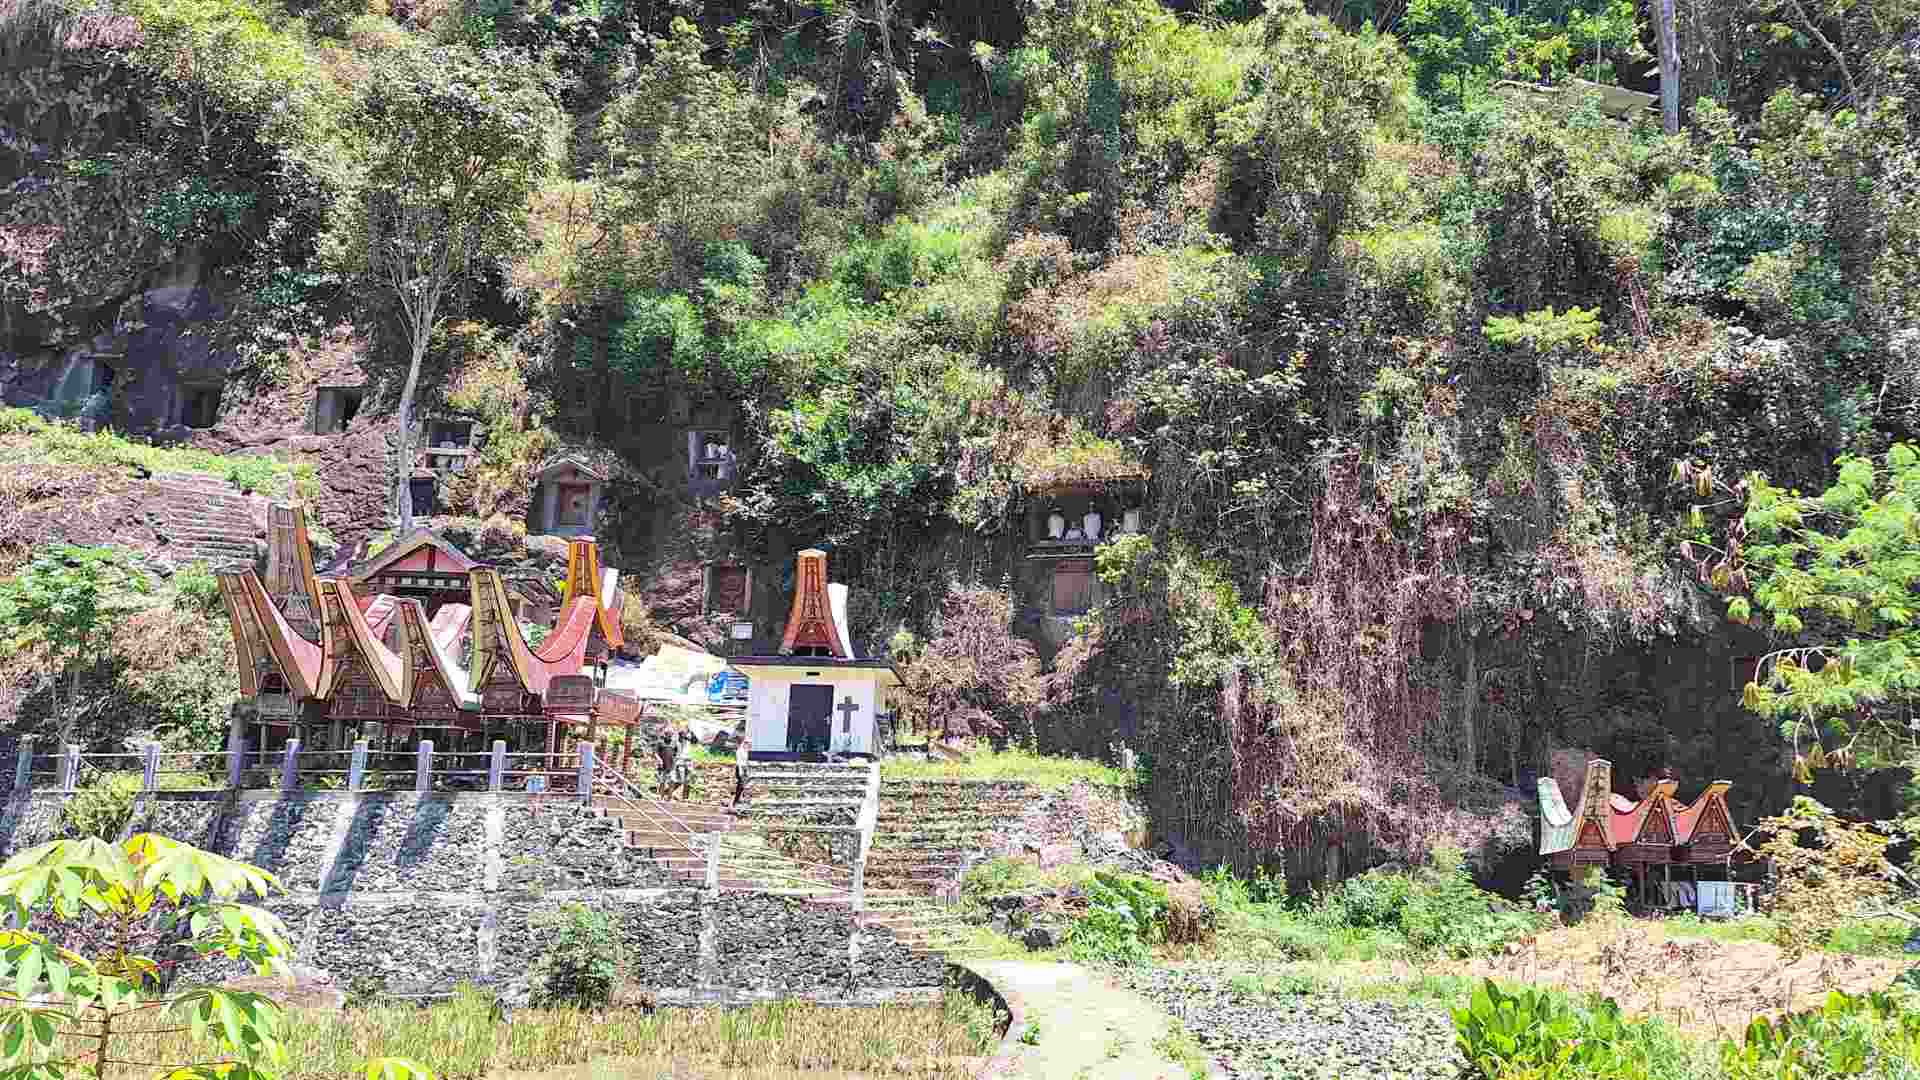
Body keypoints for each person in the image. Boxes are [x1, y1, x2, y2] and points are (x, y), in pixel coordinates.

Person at [672, 730, 695, 800]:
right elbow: (673, 753)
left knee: (688, 781)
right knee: (679, 781)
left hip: (688, 762)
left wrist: (691, 735)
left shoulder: (688, 742)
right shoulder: (676, 743)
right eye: (683, 735)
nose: (685, 736)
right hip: (680, 763)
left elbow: (695, 740)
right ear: (680, 736)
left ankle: (685, 798)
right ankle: (667, 793)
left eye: (685, 735)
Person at [732, 732, 751, 807]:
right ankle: (736, 801)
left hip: (742, 769)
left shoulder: (743, 750)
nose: (749, 745)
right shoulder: (740, 751)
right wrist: (741, 772)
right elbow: (740, 763)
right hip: (741, 769)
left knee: (742, 786)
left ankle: (738, 800)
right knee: (741, 786)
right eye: (747, 743)